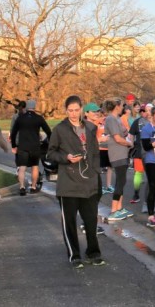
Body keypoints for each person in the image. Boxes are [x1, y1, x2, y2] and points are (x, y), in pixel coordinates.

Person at [47, 95, 105, 269]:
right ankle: (75, 254)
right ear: (66, 111)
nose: (73, 114)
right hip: (68, 184)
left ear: (81, 110)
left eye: (76, 110)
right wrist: (66, 157)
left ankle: (93, 252)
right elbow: (50, 153)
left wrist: (95, 171)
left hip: (89, 181)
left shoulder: (90, 128)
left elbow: (95, 153)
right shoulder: (59, 129)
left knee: (90, 220)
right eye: (70, 110)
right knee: (70, 222)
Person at [9, 99, 51, 196]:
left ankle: (22, 187)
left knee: (22, 167)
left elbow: (14, 133)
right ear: (34, 107)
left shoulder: (20, 118)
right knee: (35, 166)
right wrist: (50, 142)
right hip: (35, 146)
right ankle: (33, 187)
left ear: (27, 107)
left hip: (23, 146)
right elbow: (48, 131)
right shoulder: (39, 118)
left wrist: (14, 146)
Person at [103, 98, 134, 221]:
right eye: (121, 105)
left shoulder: (117, 119)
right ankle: (113, 210)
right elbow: (117, 138)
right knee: (120, 182)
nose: (123, 108)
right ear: (117, 106)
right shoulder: (111, 118)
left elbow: (124, 133)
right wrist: (129, 144)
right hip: (117, 153)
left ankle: (119, 208)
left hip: (122, 153)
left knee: (122, 181)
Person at [128, 104, 149, 207]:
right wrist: (131, 145)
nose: (144, 113)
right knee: (138, 173)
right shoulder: (138, 122)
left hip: (150, 152)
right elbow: (131, 134)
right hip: (140, 151)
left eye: (145, 111)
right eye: (143, 111)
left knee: (152, 175)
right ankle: (136, 194)